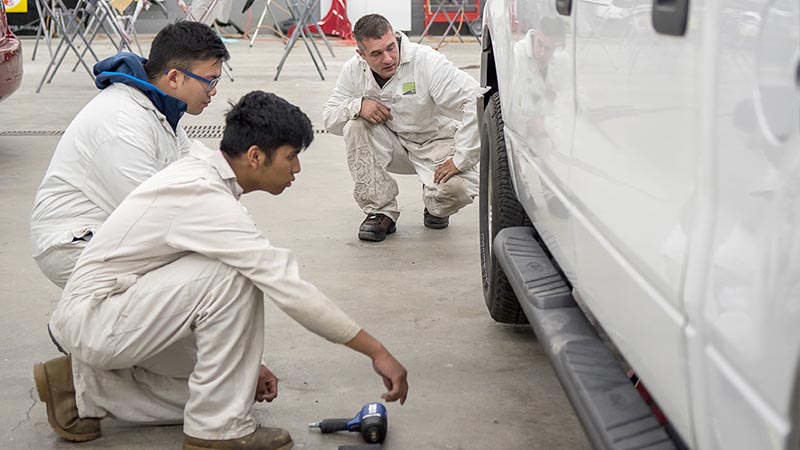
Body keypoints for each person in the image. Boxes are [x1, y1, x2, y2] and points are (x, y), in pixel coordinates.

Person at [33, 91, 409, 450]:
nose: (297, 168)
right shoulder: (203, 195)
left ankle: (81, 391)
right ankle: (218, 430)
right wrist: (377, 351)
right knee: (238, 275)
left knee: (230, 389)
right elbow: (287, 286)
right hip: (96, 319)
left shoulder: (205, 180)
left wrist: (249, 366)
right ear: (256, 156)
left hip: (116, 313)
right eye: (291, 156)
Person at [30, 21, 229, 288]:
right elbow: (152, 214)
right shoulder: (123, 123)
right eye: (210, 81)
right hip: (73, 243)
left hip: (108, 230)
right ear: (174, 78)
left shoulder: (161, 111)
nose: (214, 90)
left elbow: (192, 179)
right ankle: (82, 325)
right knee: (198, 281)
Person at [322, 14, 481, 242]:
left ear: (396, 37)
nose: (387, 59)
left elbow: (475, 100)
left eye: (390, 48)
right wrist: (358, 105)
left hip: (436, 143)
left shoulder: (426, 61)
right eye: (376, 53)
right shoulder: (354, 70)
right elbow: (329, 116)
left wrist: (461, 159)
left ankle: (435, 205)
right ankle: (380, 211)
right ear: (361, 55)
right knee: (355, 126)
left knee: (456, 191)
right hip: (391, 143)